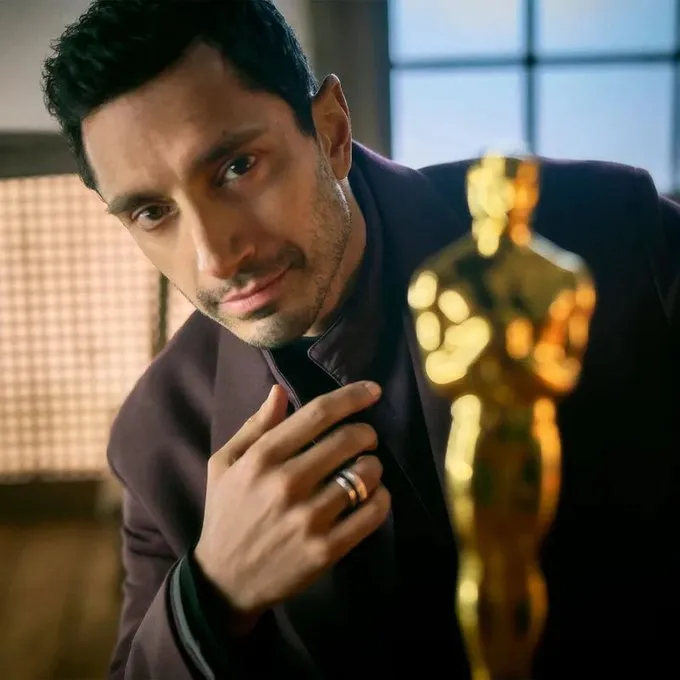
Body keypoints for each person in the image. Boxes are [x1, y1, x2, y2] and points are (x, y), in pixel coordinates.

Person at [41, 1, 680, 678]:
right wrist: (212, 596)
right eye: (151, 211)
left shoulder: (611, 235)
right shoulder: (158, 436)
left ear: (331, 130)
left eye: (237, 167)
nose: (215, 258)